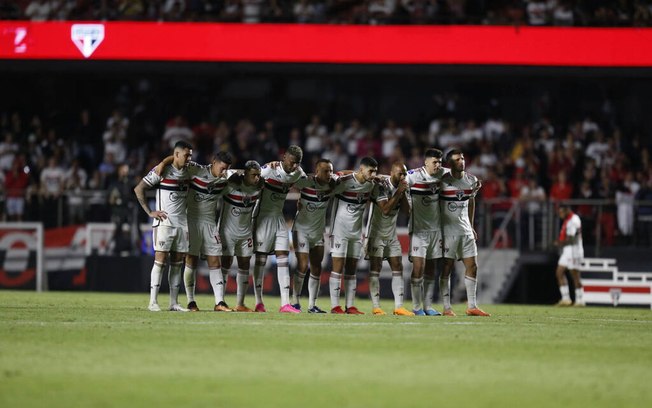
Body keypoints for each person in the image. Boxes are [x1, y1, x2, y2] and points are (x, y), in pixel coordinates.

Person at [155, 151, 235, 311]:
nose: (224, 171)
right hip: (191, 221)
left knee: (215, 261)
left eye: (227, 169)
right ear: (214, 162)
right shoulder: (196, 170)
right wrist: (163, 162)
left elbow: (242, 174)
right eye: (222, 167)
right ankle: (191, 301)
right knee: (191, 260)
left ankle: (219, 302)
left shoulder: (226, 178)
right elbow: (178, 159)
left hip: (210, 224)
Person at [134, 140, 193, 312]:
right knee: (160, 260)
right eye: (186, 155)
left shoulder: (191, 170)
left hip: (182, 223)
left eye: (190, 155)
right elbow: (139, 189)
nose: (189, 158)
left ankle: (173, 303)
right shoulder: (162, 170)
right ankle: (153, 302)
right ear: (176, 154)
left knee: (177, 263)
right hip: (164, 223)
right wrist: (150, 212)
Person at [252, 146, 306, 313]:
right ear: (284, 158)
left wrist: (302, 198)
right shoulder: (269, 169)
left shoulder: (297, 172)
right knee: (261, 259)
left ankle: (285, 303)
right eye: (291, 163)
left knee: (284, 256)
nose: (293, 166)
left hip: (278, 217)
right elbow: (251, 179)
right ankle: (259, 302)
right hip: (262, 217)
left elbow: (307, 183)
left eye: (297, 163)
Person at [440, 149, 490, 317]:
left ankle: (472, 306)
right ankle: (447, 307)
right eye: (457, 159)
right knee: (447, 268)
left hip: (465, 231)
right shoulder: (442, 181)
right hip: (448, 231)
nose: (462, 161)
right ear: (450, 163)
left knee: (472, 266)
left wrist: (471, 225)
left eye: (462, 158)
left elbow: (471, 202)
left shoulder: (471, 180)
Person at [328, 156, 378, 314]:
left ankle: (350, 306)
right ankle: (335, 306)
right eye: (371, 171)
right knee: (337, 267)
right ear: (361, 169)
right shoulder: (345, 181)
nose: (373, 174)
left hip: (356, 232)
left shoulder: (370, 185)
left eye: (375, 171)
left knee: (351, 269)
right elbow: (329, 184)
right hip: (339, 230)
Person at [364, 162, 414, 316]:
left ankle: (398, 307)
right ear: (392, 172)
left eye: (405, 174)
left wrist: (403, 193)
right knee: (376, 268)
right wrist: (399, 192)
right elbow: (385, 210)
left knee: (398, 265)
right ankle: (376, 307)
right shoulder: (381, 186)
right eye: (400, 173)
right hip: (375, 233)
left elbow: (407, 211)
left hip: (391, 234)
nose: (403, 177)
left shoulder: (403, 188)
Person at [290, 158, 338, 313]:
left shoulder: (333, 184)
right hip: (301, 230)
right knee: (303, 266)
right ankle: (295, 301)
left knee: (317, 267)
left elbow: (348, 175)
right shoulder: (306, 182)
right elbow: (291, 178)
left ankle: (312, 305)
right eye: (325, 171)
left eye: (331, 170)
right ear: (317, 171)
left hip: (318, 232)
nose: (329, 174)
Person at [405, 148, 446, 316]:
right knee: (418, 268)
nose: (438, 165)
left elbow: (460, 175)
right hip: (418, 230)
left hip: (436, 230)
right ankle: (416, 307)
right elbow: (396, 179)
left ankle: (428, 306)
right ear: (426, 162)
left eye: (440, 162)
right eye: (434, 162)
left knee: (431, 268)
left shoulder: (444, 174)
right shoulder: (413, 176)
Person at [219, 161, 263, 312]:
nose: (257, 178)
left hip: (246, 233)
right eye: (253, 175)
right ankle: (220, 302)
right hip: (227, 232)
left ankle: (240, 304)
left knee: (245, 266)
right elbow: (223, 175)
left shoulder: (258, 188)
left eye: (258, 175)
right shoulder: (230, 186)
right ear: (245, 174)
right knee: (226, 264)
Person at [554, 204, 585, 306]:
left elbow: (572, 239)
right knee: (559, 272)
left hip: (574, 251)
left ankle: (580, 300)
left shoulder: (574, 220)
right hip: (567, 251)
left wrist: (559, 242)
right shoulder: (568, 220)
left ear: (567, 210)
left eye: (561, 212)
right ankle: (566, 299)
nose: (560, 214)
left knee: (575, 275)